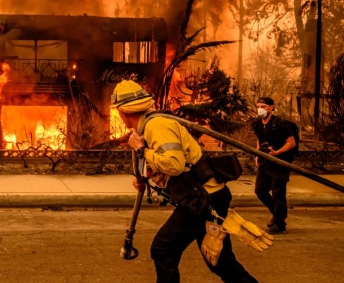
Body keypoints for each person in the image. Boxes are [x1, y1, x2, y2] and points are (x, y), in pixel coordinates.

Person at [111, 80, 258, 283]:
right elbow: (164, 161)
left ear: (122, 111)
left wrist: (141, 150)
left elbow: (174, 164)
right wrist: (145, 177)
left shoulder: (157, 125)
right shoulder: (146, 127)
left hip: (203, 199)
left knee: (163, 249)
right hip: (205, 196)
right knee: (219, 261)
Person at [252, 97, 296, 234]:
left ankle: (280, 223)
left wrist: (277, 153)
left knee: (278, 193)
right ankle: (276, 214)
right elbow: (259, 140)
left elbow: (291, 142)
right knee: (260, 191)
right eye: (258, 106)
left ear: (271, 107)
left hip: (280, 162)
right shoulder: (257, 124)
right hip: (265, 162)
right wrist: (257, 154)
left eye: (263, 106)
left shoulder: (280, 124)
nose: (260, 109)